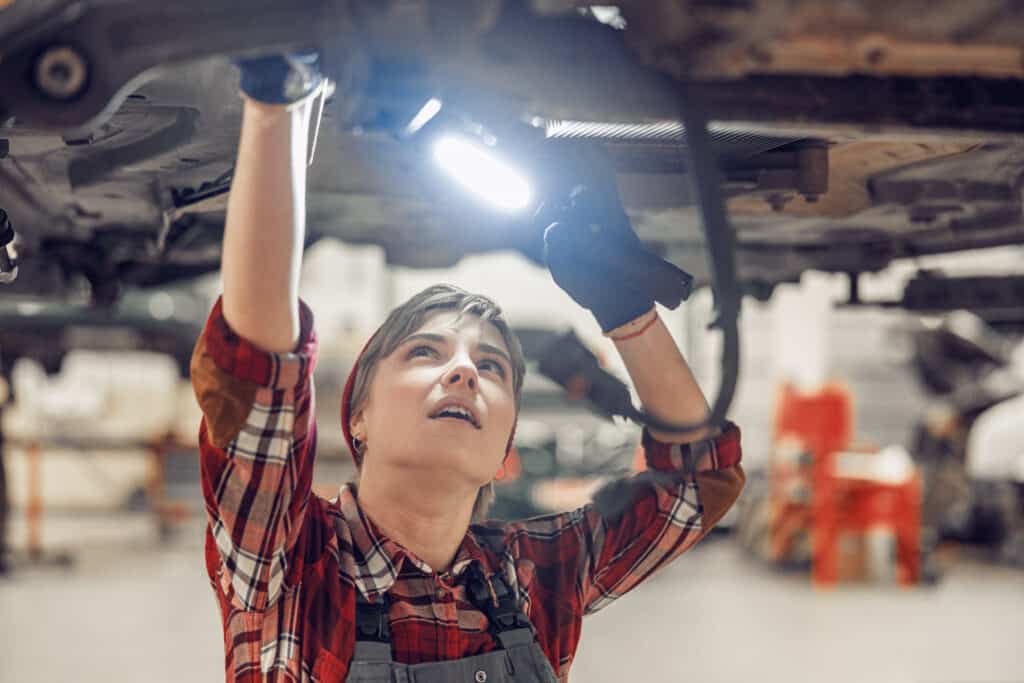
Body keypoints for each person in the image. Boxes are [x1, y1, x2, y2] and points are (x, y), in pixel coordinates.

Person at [191, 53, 745, 683]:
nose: (463, 373)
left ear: (504, 444)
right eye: (425, 352)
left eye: (492, 368)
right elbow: (257, 370)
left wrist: (629, 314)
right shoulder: (286, 566)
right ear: (359, 415)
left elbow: (699, 485)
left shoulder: (535, 573)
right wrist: (278, 100)